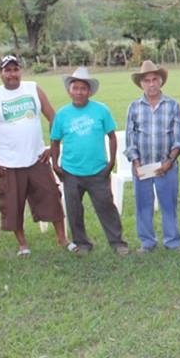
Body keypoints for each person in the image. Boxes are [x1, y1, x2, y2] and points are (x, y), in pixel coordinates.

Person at [0, 55, 68, 255]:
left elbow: (53, 118)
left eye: (15, 69)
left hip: (37, 158)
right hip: (8, 163)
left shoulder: (33, 88)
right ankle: (23, 244)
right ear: (0, 73)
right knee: (12, 205)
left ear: (21, 71)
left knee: (52, 196)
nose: (12, 74)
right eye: (7, 70)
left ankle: (62, 238)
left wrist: (51, 148)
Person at [50, 67, 129, 256]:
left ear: (89, 91)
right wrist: (55, 164)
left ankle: (117, 242)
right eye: (75, 88)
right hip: (71, 171)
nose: (79, 92)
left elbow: (111, 136)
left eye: (83, 88)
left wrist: (110, 163)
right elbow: (54, 141)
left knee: (106, 206)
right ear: (70, 90)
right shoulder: (62, 114)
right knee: (74, 209)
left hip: (98, 170)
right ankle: (82, 243)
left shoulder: (101, 110)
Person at [125, 60, 180, 252]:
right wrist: (136, 162)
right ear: (141, 84)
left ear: (160, 81)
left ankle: (172, 241)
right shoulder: (134, 107)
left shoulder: (172, 105)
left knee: (169, 205)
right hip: (142, 166)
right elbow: (130, 138)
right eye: (147, 80)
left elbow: (179, 138)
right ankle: (147, 242)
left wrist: (169, 161)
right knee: (143, 206)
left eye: (154, 79)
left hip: (166, 165)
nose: (151, 84)